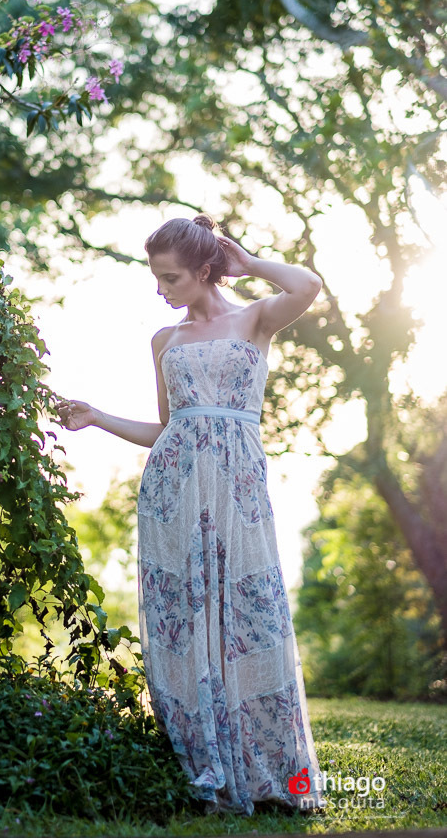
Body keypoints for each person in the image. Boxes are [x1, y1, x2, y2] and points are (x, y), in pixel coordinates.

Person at [55, 213, 328, 817]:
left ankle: (269, 769)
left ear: (206, 270)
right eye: (157, 279)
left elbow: (307, 286)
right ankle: (204, 760)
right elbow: (165, 429)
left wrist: (250, 262)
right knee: (189, 620)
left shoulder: (254, 319)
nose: (161, 290)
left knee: (251, 615)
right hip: (174, 493)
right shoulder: (165, 341)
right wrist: (97, 416)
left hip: (238, 487)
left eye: (171, 278)